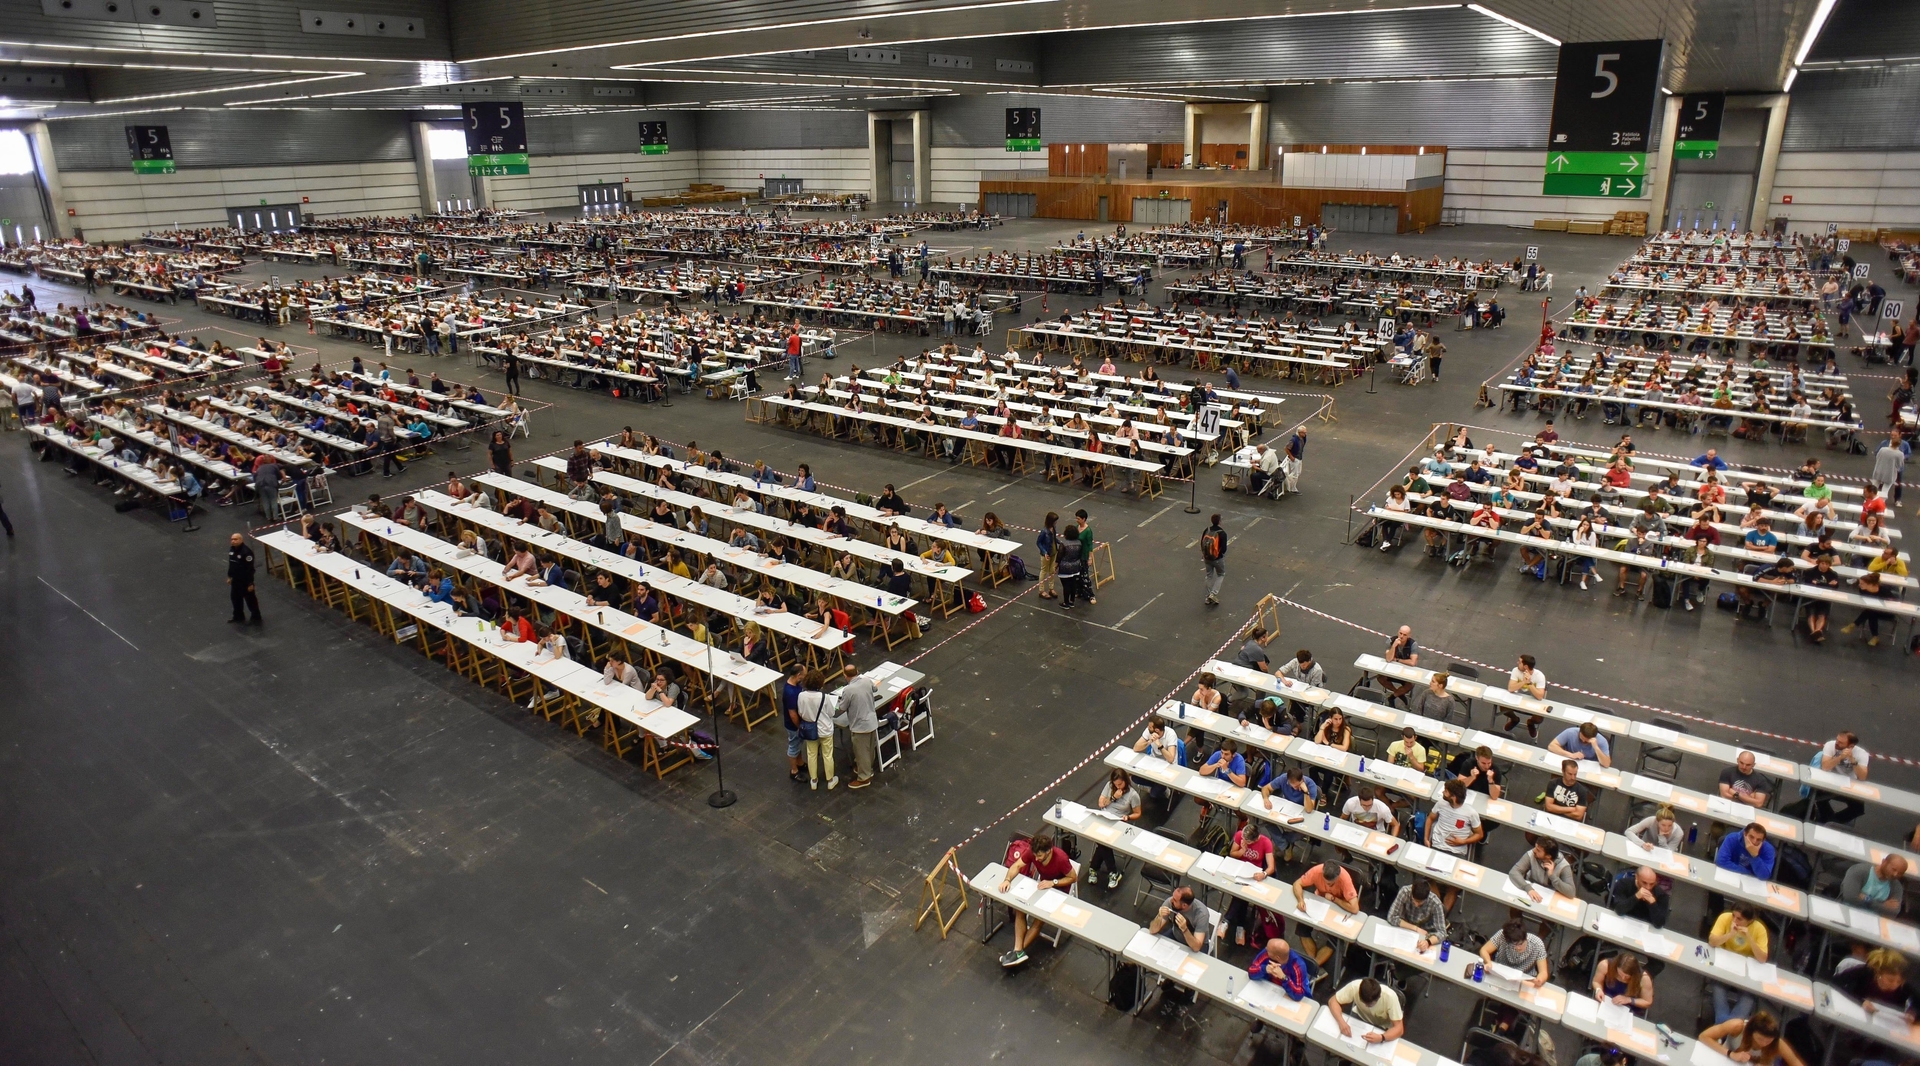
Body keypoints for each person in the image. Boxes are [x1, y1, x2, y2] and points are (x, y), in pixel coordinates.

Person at [997, 830, 1078, 968]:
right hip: (1041, 886)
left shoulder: (1061, 858)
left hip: (1058, 890)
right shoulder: (1033, 852)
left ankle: (1018, 952)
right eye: (1035, 855)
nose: (1037, 858)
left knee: (1038, 918)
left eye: (1039, 856)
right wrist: (1007, 879)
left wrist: (1053, 883)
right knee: (1020, 909)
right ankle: (1018, 951)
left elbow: (1073, 877)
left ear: (1049, 851)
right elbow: (1016, 865)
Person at [1708, 903, 1771, 1022]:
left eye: (1739, 919)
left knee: (1748, 997)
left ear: (1750, 921)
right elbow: (1712, 941)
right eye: (1733, 916)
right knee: (1718, 987)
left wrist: (1749, 938)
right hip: (1725, 964)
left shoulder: (1759, 929)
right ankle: (1723, 1022)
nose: (1734, 920)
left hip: (1746, 970)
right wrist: (1730, 934)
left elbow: (1762, 959)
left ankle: (1731, 1026)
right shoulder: (1725, 918)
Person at [1087, 768, 1142, 889]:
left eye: (1120, 784)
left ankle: (1095, 868)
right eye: (1115, 784)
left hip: (1119, 822)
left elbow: (1138, 813)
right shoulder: (1109, 786)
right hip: (1104, 817)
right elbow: (1101, 804)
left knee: (1103, 842)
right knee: (1103, 842)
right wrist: (1113, 798)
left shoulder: (1133, 795)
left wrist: (1128, 817)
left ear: (1126, 781)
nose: (1118, 786)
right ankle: (1112, 872)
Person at [1834, 948, 1920, 1020]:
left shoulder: (1904, 987)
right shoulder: (1866, 972)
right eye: (1890, 980)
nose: (1895, 985)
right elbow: (1836, 982)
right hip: (1857, 1016)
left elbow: (1917, 1002)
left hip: (1887, 1026)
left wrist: (1913, 1012)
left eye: (1899, 982)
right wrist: (1860, 1001)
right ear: (1878, 973)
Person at [1700, 1010, 1805, 1066]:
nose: (1763, 1043)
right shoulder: (1737, 1026)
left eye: (1768, 1040)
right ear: (1751, 1031)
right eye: (1760, 1039)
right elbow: (1704, 1036)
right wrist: (1730, 1054)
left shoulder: (1778, 1043)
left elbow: (1796, 1063)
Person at [1808, 731, 1870, 824]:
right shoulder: (1830, 745)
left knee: (1859, 808)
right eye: (1837, 740)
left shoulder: (1862, 754)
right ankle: (1831, 823)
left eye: (1841, 742)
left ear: (1851, 746)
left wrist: (1852, 760)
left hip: (1849, 785)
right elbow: (1825, 766)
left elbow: (1862, 777)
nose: (1837, 743)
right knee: (1817, 796)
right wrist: (1840, 757)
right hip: (1829, 781)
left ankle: (1830, 822)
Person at [835, 663, 881, 790]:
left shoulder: (848, 690)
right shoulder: (866, 680)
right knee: (870, 748)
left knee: (861, 752)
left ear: (845, 675)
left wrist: (834, 703)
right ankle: (867, 768)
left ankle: (864, 777)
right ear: (858, 671)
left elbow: (842, 707)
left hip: (860, 726)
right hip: (872, 721)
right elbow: (875, 689)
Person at [796, 671, 838, 791]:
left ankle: (813, 780)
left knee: (811, 754)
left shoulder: (801, 696)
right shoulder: (823, 697)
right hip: (825, 729)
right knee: (827, 755)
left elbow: (800, 712)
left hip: (810, 730)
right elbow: (832, 712)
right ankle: (830, 780)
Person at [1329, 978, 1406, 1043]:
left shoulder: (1390, 997)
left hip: (1382, 1027)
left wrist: (1381, 1037)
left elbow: (1399, 1029)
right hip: (1360, 1017)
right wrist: (1341, 1022)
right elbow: (1333, 1001)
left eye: (1370, 1004)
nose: (1367, 1006)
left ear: (1379, 997)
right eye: (1364, 1002)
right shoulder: (1355, 986)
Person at [1479, 918, 1550, 988]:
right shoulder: (1502, 935)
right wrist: (1488, 962)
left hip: (1524, 979)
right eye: (1514, 945)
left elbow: (1543, 972)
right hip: (1501, 974)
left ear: (1525, 937)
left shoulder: (1537, 943)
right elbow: (1484, 950)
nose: (1518, 947)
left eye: (1521, 944)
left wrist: (1539, 980)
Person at [1387, 877, 1447, 952]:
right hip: (1406, 928)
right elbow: (1391, 917)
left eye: (1420, 902)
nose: (1416, 904)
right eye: (1414, 900)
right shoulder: (1405, 892)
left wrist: (1428, 942)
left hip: (1426, 934)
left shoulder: (1435, 903)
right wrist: (1415, 928)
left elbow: (1442, 933)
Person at [1841, 855, 1910, 915]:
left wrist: (1864, 898)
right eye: (1893, 869)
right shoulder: (1859, 870)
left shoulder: (1896, 887)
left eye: (1900, 873)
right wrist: (1882, 905)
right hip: (1847, 911)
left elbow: (1893, 912)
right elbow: (1850, 898)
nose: (1895, 874)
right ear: (1884, 862)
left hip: (1874, 922)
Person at [1247, 937, 1312, 1001]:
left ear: (1277, 957)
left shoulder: (1298, 965)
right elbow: (1251, 972)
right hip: (1269, 988)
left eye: (1268, 949)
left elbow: (1299, 995)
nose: (1265, 949)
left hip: (1288, 995)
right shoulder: (1266, 953)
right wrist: (1265, 969)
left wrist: (1284, 978)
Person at [1592, 951, 1654, 1016]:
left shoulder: (1644, 978)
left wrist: (1629, 1000)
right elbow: (1596, 981)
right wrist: (1598, 990)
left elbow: (1647, 1002)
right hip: (1606, 1002)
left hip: (1629, 1009)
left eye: (1627, 976)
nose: (1623, 978)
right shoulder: (1605, 965)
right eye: (1620, 974)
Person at [1501, 653, 1546, 737]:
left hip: (1533, 702)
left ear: (1525, 666)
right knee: (1503, 707)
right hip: (1517, 699)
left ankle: (1531, 723)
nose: (1517, 663)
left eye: (1519, 662)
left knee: (1539, 718)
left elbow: (1540, 696)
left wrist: (1529, 683)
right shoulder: (1515, 670)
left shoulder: (1539, 676)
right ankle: (1514, 719)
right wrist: (1524, 682)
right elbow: (1511, 688)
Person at [226, 532, 261, 624]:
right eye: (232, 539)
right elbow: (231, 564)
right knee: (235, 599)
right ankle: (238, 616)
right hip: (235, 580)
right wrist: (229, 576)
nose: (233, 541)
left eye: (236, 539)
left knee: (250, 600)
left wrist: (250, 583)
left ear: (241, 540)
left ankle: (256, 617)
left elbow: (250, 569)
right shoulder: (232, 550)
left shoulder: (246, 552)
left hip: (245, 581)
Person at [1379, 626, 1418, 704]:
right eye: (1400, 633)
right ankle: (1398, 693)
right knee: (1380, 678)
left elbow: (1413, 662)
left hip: (1405, 672)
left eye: (1405, 635)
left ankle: (1392, 697)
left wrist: (1398, 660)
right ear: (1398, 632)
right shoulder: (1390, 641)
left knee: (1410, 685)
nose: (1401, 636)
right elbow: (1388, 659)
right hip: (1391, 670)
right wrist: (1394, 646)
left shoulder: (1413, 644)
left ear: (1409, 636)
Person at [1200, 513, 1227, 606]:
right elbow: (1223, 549)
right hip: (1217, 559)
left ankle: (1207, 597)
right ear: (1219, 522)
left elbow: (1201, 543)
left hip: (1207, 557)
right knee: (1221, 574)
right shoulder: (1222, 533)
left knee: (1209, 576)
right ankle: (1213, 593)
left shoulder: (1206, 530)